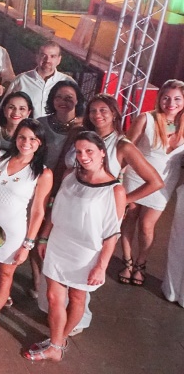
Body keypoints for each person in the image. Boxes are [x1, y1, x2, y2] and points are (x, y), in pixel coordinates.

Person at [26, 132, 128, 362]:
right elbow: (55, 208)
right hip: (59, 243)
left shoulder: (114, 190)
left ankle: (57, 342)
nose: (83, 156)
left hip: (86, 252)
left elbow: (112, 233)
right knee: (53, 297)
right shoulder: (70, 175)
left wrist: (101, 266)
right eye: (79, 151)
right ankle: (56, 344)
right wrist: (44, 237)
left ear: (102, 152)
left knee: (77, 297)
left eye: (89, 151)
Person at [0, 119, 53, 337]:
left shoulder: (42, 173)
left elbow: (38, 212)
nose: (26, 142)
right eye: (22, 137)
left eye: (32, 139)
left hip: (13, 232)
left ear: (40, 142)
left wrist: (28, 244)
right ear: (15, 138)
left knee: (4, 275)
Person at [119, 80, 184, 287]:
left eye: (177, 98)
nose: (171, 103)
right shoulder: (146, 118)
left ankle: (141, 263)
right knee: (130, 217)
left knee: (147, 226)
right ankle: (127, 262)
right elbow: (126, 147)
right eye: (166, 98)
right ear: (159, 99)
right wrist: (117, 176)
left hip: (164, 183)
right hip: (136, 177)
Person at [7, 42, 72, 118]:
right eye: (43, 55)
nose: (47, 60)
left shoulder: (68, 83)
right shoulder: (21, 80)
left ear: (59, 59)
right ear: (37, 57)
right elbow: (6, 107)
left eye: (52, 56)